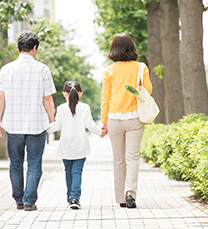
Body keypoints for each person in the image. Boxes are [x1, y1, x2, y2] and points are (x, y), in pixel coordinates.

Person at [0, 32, 56, 211]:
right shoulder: (42, 69)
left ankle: (19, 200)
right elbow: (48, 99)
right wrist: (51, 121)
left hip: (13, 125)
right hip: (37, 125)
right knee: (35, 163)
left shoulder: (6, 69)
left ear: (18, 48)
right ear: (35, 48)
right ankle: (30, 201)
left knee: (15, 163)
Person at [101, 33, 152, 208]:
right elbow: (148, 90)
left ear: (113, 49)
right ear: (132, 48)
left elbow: (105, 98)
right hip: (134, 118)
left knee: (118, 160)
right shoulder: (141, 67)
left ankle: (120, 199)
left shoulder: (109, 71)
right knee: (132, 158)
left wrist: (103, 122)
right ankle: (130, 194)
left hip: (114, 119)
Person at [47, 81, 107, 210]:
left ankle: (71, 198)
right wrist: (100, 133)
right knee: (77, 172)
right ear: (80, 94)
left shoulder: (62, 108)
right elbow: (90, 125)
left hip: (66, 145)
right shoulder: (85, 107)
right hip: (80, 145)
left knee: (68, 172)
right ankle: (74, 198)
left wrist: (44, 128)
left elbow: (56, 126)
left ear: (64, 94)